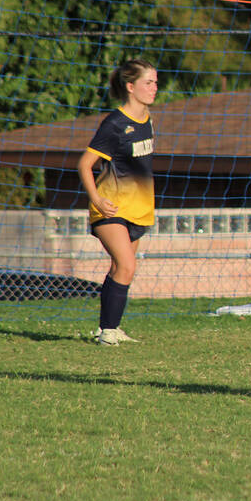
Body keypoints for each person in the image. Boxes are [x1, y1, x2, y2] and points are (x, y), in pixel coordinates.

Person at [77, 59, 159, 346]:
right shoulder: (114, 123)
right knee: (126, 266)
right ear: (130, 86)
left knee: (119, 268)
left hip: (139, 210)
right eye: (148, 82)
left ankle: (107, 328)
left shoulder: (146, 118)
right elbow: (85, 164)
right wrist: (97, 199)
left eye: (156, 82)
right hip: (111, 207)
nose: (154, 88)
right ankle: (109, 333)